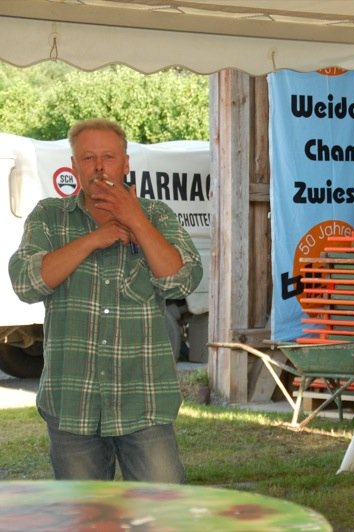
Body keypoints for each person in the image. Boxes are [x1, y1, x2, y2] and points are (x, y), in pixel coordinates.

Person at [8, 118, 202, 482]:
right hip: (72, 405)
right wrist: (97, 238)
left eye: (109, 157)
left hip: (144, 404)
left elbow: (183, 280)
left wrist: (136, 221)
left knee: (162, 510)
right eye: (88, 158)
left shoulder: (156, 215)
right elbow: (26, 283)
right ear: (74, 166)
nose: (99, 167)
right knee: (85, 513)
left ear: (125, 164)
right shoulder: (49, 216)